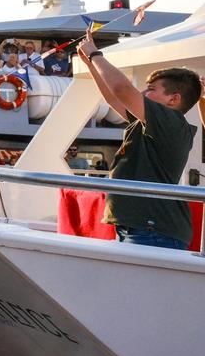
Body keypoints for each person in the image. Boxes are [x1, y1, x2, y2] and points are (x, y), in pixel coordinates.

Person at [77, 30, 202, 249]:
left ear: (174, 99)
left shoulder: (169, 121)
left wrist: (96, 55)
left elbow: (122, 90)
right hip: (141, 228)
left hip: (152, 230)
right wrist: (90, 64)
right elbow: (114, 96)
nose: (143, 93)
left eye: (151, 89)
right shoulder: (152, 123)